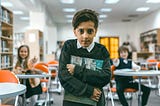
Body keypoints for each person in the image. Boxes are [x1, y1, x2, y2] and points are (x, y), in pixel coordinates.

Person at [58, 9, 111, 106]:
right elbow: (63, 76)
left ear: (95, 32)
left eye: (90, 31)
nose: (85, 36)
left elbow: (105, 77)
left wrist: (77, 70)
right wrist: (89, 91)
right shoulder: (69, 46)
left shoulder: (102, 50)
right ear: (75, 32)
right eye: (81, 31)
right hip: (72, 101)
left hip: (96, 101)